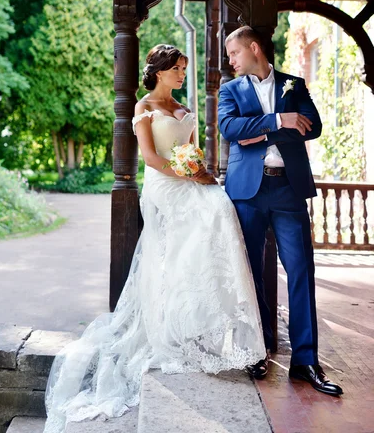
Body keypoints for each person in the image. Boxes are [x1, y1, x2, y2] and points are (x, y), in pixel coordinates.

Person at [43, 44, 266, 432]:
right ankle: (173, 329)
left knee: (219, 208)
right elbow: (149, 156)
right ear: (160, 71)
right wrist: (190, 175)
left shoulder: (183, 108)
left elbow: (191, 150)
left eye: (184, 68)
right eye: (178, 69)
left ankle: (206, 323)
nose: (182, 74)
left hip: (188, 178)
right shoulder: (143, 106)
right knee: (199, 220)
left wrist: (199, 169)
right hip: (164, 185)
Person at [218, 25, 343, 396]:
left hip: (289, 189)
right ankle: (258, 351)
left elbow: (313, 127)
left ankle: (305, 361)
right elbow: (229, 128)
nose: (231, 61)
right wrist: (279, 121)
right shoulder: (230, 90)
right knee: (250, 272)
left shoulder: (294, 85)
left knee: (302, 270)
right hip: (247, 193)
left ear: (253, 48)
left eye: (234, 53)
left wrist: (261, 131)